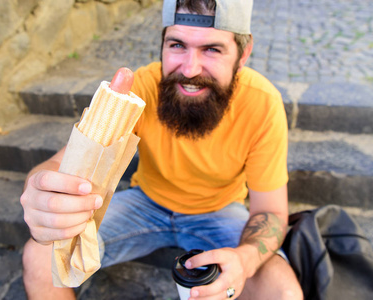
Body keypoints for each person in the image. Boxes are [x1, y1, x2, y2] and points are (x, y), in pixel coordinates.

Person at [20, 0, 303, 299]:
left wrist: (244, 260)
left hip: (219, 211)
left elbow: (270, 211)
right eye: (177, 45)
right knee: (39, 258)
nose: (190, 69)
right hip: (145, 204)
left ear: (243, 54)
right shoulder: (142, 86)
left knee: (283, 291)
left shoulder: (262, 104)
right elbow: (62, 163)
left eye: (212, 49)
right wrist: (42, 192)